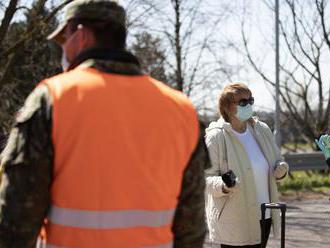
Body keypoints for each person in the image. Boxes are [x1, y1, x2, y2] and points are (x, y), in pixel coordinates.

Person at [0, 0, 209, 247]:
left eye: (64, 39)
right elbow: (192, 226)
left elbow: (17, 217)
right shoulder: (180, 109)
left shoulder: (53, 98)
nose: (63, 49)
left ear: (80, 35)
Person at [204, 83, 289, 248]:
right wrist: (223, 185)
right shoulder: (216, 137)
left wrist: (281, 169)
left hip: (264, 215)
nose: (249, 105)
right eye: (243, 102)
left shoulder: (262, 129)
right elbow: (205, 179)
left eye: (251, 100)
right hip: (234, 220)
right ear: (227, 107)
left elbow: (278, 160)